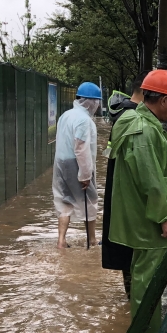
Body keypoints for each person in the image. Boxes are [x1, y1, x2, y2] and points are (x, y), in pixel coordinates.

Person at [107, 70, 167, 333]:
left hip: (143, 215)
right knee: (148, 277)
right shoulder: (142, 130)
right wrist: (164, 217)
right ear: (163, 100)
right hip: (150, 219)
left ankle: (143, 330)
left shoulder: (138, 121)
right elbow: (150, 179)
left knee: (143, 271)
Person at [101, 73, 148, 296]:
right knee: (133, 251)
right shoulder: (134, 118)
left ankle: (131, 297)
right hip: (129, 194)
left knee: (126, 249)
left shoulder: (121, 113)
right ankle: (134, 297)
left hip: (119, 190)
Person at [53, 82, 101, 249]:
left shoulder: (65, 115)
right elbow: (81, 148)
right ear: (90, 102)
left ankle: (61, 241)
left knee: (64, 200)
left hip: (60, 163)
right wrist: (85, 175)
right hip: (76, 164)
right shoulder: (84, 120)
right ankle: (92, 240)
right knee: (90, 200)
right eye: (97, 102)